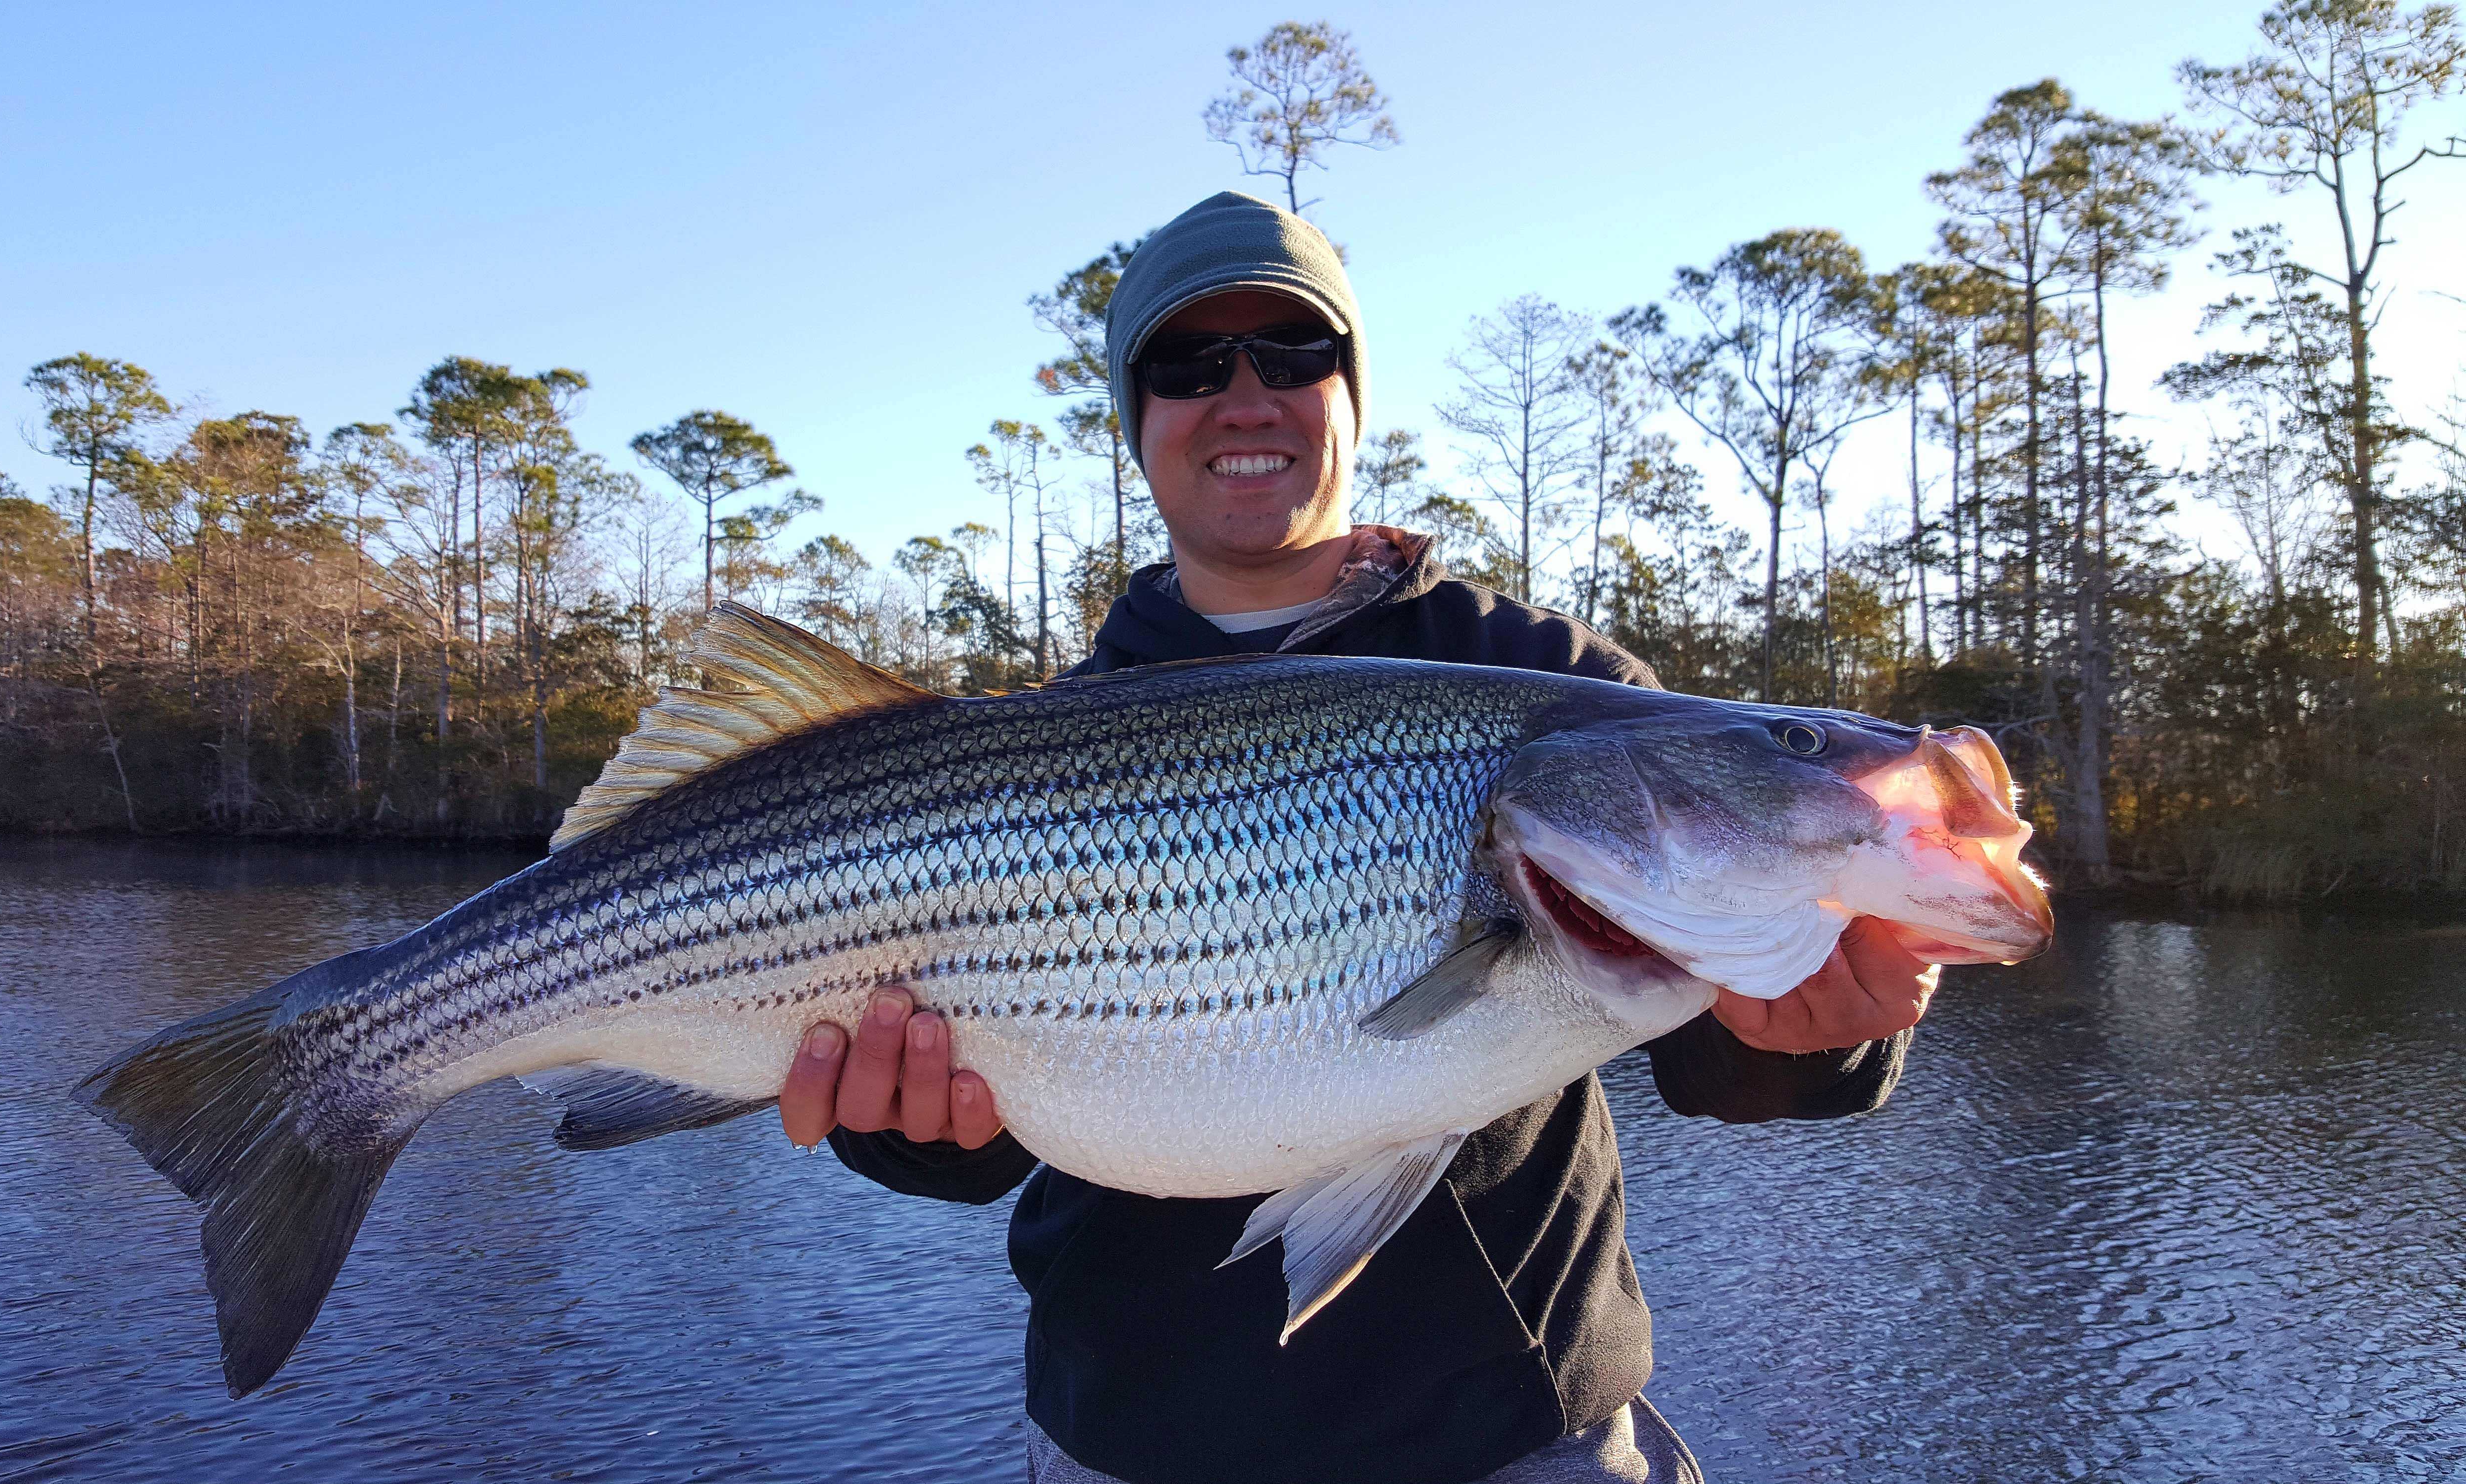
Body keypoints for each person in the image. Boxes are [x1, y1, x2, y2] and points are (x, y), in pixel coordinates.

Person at [773, 191, 1937, 1484]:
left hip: (1510, 1439)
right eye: (1189, 364)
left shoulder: (1544, 679)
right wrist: (908, 1122)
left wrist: (1835, 1024)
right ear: (1138, 420)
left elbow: (1725, 1049)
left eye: (1293, 351)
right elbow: (977, 1143)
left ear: (1352, 389)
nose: (1246, 394)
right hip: (1130, 1437)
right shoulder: (1052, 732)